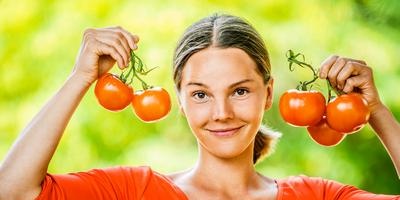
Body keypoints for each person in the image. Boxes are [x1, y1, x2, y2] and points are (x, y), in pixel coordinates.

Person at [0, 13, 399, 200]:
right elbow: (12, 191)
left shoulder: (318, 198)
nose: (221, 111)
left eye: (240, 91)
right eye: (201, 94)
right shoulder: (134, 191)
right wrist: (80, 78)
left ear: (268, 93)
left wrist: (376, 110)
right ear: (180, 101)